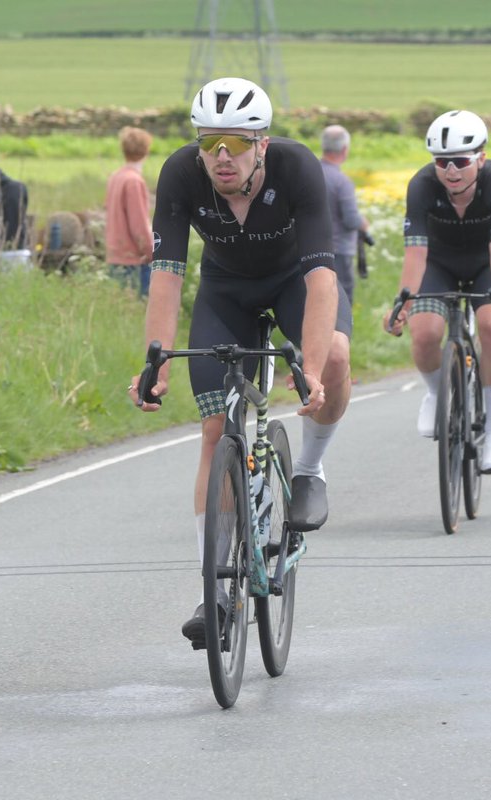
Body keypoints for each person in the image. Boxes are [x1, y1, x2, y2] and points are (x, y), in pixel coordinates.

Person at [128, 77, 352, 647]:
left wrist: (314, 372)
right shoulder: (180, 174)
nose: (220, 155)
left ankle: (309, 468)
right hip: (226, 293)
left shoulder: (298, 169)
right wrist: (156, 361)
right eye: (209, 143)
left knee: (338, 356)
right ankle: (216, 590)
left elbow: (324, 278)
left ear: (262, 144)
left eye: (234, 142)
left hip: (295, 282)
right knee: (213, 432)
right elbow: (167, 274)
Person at [384, 110, 491, 473]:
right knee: (425, 331)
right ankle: (435, 391)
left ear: (481, 158)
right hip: (438, 264)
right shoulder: (422, 185)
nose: (451, 171)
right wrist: (404, 301)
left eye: (460, 161)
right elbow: (415, 252)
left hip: (484, 265)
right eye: (441, 162)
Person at [319, 124, 369, 303]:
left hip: (310, 247)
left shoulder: (311, 173)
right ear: (345, 149)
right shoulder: (342, 181)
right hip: (339, 249)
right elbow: (350, 219)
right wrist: (363, 223)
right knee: (341, 300)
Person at [104, 126, 154, 298]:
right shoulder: (134, 181)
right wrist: (150, 252)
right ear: (146, 150)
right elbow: (138, 224)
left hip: (114, 255)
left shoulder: (116, 177)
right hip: (133, 260)